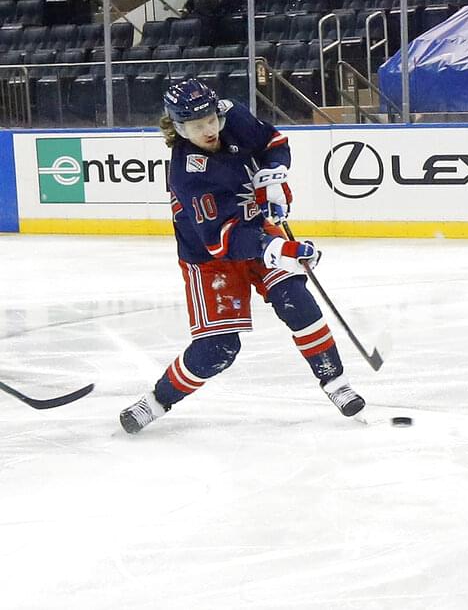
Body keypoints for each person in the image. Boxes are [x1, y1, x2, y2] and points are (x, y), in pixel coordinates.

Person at [119, 78, 366, 434]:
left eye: (210, 120)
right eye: (195, 125)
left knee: (296, 298)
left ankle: (335, 384)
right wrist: (277, 248)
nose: (208, 130)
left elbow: (273, 142)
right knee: (218, 348)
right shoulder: (188, 174)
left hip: (259, 233)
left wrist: (272, 176)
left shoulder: (232, 115)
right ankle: (155, 402)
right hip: (211, 257)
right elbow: (222, 240)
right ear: (178, 128)